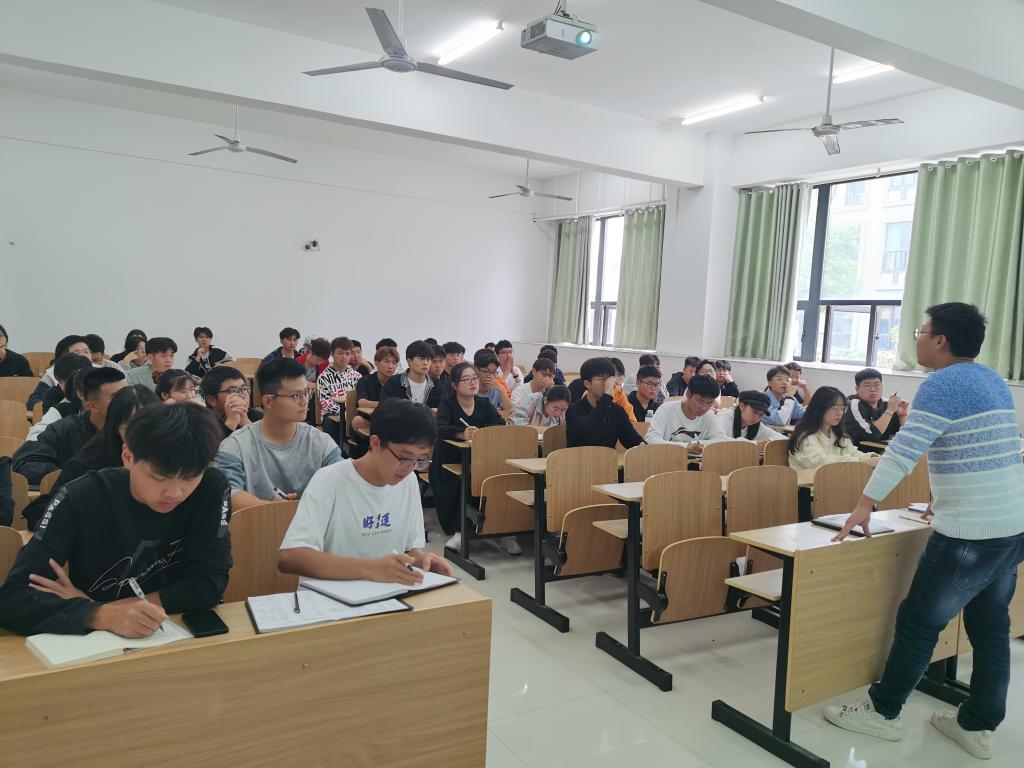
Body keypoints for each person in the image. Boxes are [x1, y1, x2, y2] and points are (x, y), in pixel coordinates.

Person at [825, 303, 1024, 760]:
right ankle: (977, 726)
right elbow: (986, 447)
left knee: (919, 621)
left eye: (921, 330)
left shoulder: (941, 384)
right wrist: (944, 491)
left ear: (940, 340)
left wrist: (864, 503)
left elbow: (903, 451)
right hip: (1012, 524)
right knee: (991, 627)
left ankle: (883, 712)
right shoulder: (993, 379)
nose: (915, 337)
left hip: (971, 532)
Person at [0, 403, 232, 638]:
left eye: (190, 477)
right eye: (159, 477)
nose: (175, 493)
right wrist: (101, 615)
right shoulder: (81, 496)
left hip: (175, 635)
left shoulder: (211, 487)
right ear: (128, 456)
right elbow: (12, 600)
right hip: (97, 645)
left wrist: (105, 608)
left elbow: (210, 583)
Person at [278, 399, 452, 584]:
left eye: (420, 460)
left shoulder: (408, 481)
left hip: (388, 594)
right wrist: (372, 568)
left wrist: (423, 561)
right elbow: (290, 557)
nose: (410, 468)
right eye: (404, 458)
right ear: (376, 443)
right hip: (333, 596)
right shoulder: (330, 480)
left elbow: (409, 549)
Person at [215, 358, 341, 510]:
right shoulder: (236, 445)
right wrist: (273, 509)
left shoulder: (321, 442)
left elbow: (343, 481)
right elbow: (227, 494)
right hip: (256, 523)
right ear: (268, 401)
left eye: (306, 392)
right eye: (296, 396)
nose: (305, 401)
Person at [428, 362, 508, 553]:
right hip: (448, 461)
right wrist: (460, 433)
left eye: (474, 378)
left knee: (496, 480)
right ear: (454, 385)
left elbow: (499, 424)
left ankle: (502, 531)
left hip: (478, 458)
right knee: (460, 483)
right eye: (466, 379)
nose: (473, 383)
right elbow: (439, 428)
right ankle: (460, 531)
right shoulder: (447, 404)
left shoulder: (484, 403)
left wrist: (482, 433)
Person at [14, 367, 127, 486]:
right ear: (92, 406)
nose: (126, 400)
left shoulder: (137, 427)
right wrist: (70, 474)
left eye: (127, 393)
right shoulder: (65, 428)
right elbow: (24, 463)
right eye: (116, 397)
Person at [53, 385, 161, 492]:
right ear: (116, 428)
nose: (143, 435)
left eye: (151, 427)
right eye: (132, 428)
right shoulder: (86, 466)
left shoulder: (165, 454)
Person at [786, 387, 880, 470]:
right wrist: (861, 462)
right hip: (809, 482)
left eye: (842, 408)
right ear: (819, 409)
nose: (840, 413)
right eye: (835, 408)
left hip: (831, 479)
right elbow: (822, 462)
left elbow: (852, 452)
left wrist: (870, 457)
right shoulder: (805, 437)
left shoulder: (836, 433)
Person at [566, 357, 644, 450]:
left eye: (610, 379)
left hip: (608, 459)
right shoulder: (573, 411)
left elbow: (633, 441)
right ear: (587, 384)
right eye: (602, 379)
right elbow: (590, 430)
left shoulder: (616, 411)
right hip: (579, 458)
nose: (608, 384)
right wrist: (607, 395)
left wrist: (644, 447)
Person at [646, 374, 725, 454]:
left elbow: (721, 440)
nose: (704, 408)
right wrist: (685, 447)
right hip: (669, 459)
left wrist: (696, 445)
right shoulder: (666, 410)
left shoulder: (709, 415)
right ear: (688, 394)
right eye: (700, 402)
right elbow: (650, 439)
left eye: (710, 403)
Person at [843, 368, 907, 449]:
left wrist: (902, 415)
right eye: (867, 385)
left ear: (882, 386)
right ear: (857, 389)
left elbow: (904, 436)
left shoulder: (887, 403)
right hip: (856, 453)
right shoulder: (853, 404)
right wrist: (890, 411)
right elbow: (870, 434)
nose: (873, 389)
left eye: (877, 385)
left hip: (881, 452)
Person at [31, 354, 93, 435]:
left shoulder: (97, 396)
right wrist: (64, 403)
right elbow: (42, 431)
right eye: (60, 382)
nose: (62, 386)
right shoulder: (53, 395)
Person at [26, 335, 92, 409]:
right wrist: (58, 406)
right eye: (77, 353)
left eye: (86, 352)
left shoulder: (99, 372)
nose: (84, 356)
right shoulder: (52, 375)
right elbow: (33, 402)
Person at [317, 337, 362, 443]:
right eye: (340, 353)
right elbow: (326, 404)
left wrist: (351, 413)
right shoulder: (323, 377)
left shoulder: (357, 376)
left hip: (353, 414)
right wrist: (344, 413)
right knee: (331, 424)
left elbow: (360, 398)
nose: (344, 357)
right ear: (332, 354)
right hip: (332, 415)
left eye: (347, 354)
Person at [200, 365, 262, 439]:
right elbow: (210, 446)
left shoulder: (259, 417)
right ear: (211, 400)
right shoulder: (201, 423)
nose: (242, 395)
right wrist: (231, 423)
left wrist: (245, 422)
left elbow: (265, 445)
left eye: (243, 389)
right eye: (233, 391)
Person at [352, 346, 400, 436]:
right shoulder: (365, 380)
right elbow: (362, 402)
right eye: (386, 361)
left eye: (394, 363)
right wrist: (387, 405)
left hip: (392, 422)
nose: (390, 366)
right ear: (377, 363)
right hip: (370, 421)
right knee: (357, 421)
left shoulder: (398, 382)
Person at [380, 341, 440, 408]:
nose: (425, 363)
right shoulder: (394, 382)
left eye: (428, 359)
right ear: (409, 361)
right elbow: (384, 408)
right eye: (421, 359)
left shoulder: (438, 386)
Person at [715, 390, 786, 446]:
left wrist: (769, 441)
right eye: (754, 412)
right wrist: (755, 443)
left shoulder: (757, 426)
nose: (757, 417)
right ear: (742, 406)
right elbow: (718, 440)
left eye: (761, 415)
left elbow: (782, 438)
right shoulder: (725, 416)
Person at [471, 348, 511, 413]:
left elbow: (510, 412)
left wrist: (502, 389)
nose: (491, 376)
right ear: (476, 370)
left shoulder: (497, 388)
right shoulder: (469, 388)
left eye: (494, 372)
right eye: (487, 371)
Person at [609, 357, 638, 423]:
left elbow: (632, 422)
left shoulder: (619, 394)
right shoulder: (592, 394)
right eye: (613, 375)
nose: (616, 379)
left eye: (619, 375)